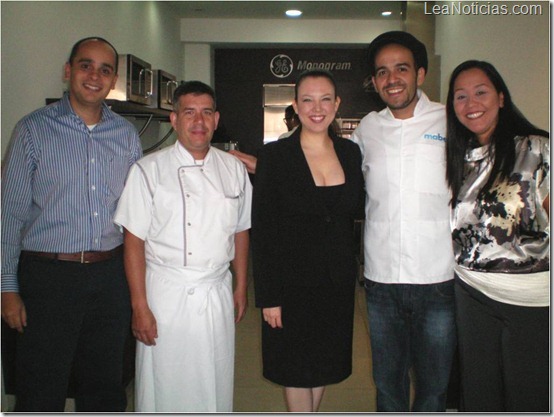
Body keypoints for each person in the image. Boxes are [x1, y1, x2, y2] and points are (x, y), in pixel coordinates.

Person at [1, 37, 142, 411]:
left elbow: (138, 217)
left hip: (110, 276)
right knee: (40, 386)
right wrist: (6, 288)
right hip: (48, 278)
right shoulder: (32, 130)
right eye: (86, 65)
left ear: (113, 81)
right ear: (68, 72)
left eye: (105, 69)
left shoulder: (126, 136)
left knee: (105, 385)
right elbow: (8, 214)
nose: (94, 76)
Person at [113, 81, 252, 412]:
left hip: (215, 288)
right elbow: (133, 241)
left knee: (214, 379)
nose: (198, 122)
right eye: (189, 113)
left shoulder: (233, 168)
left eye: (206, 113)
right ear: (174, 120)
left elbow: (241, 229)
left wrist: (241, 284)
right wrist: (139, 306)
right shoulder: (148, 170)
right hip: (165, 294)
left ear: (216, 119)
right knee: (165, 383)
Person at [350, 31, 456, 411]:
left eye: (401, 68)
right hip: (382, 281)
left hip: (438, 278)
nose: (391, 79)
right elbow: (331, 174)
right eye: (382, 72)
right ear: (375, 81)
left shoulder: (449, 120)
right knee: (388, 384)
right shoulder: (368, 128)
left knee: (434, 386)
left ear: (421, 74)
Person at [252, 69, 365, 412]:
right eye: (308, 100)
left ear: (337, 104)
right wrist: (269, 297)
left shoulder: (350, 153)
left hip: (336, 283)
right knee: (295, 369)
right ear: (296, 107)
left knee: (323, 367)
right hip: (291, 285)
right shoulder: (275, 156)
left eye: (325, 99)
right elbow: (264, 230)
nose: (317, 108)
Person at [445, 60, 549, 412]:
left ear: (501, 98)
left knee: (528, 396)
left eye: (481, 92)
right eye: (460, 96)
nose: (471, 103)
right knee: (478, 395)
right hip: (471, 293)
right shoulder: (459, 157)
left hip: (530, 299)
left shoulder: (536, 149)